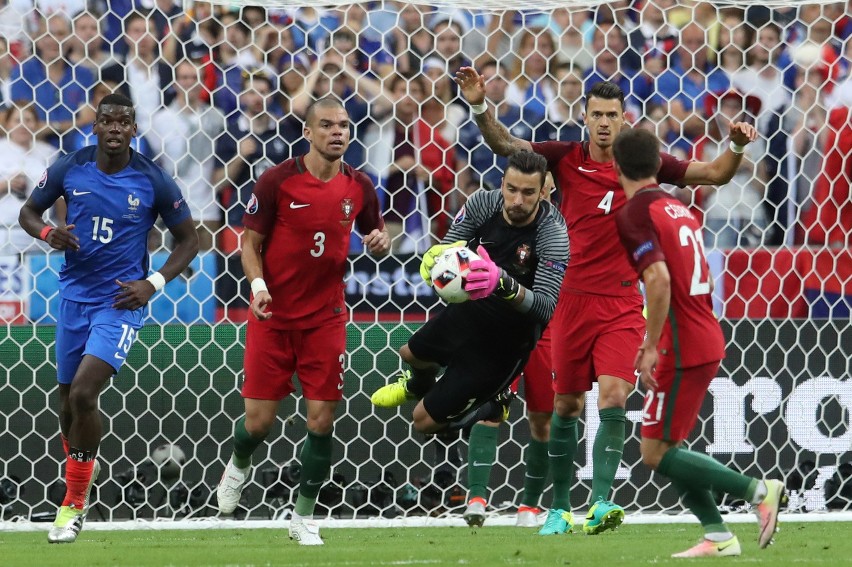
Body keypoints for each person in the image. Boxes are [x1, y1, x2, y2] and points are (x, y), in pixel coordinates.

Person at [454, 70, 758, 536]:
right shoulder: (563, 158)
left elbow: (714, 173)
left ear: (623, 119)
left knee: (614, 395)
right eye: (596, 115)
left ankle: (600, 503)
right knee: (567, 406)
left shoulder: (642, 165)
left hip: (620, 303)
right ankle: (558, 508)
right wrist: (478, 107)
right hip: (569, 301)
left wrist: (736, 145)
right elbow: (507, 146)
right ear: (584, 117)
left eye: (611, 116)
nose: (603, 123)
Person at [17, 93, 199, 543]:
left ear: (134, 130)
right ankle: (82, 474)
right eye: (107, 121)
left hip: (119, 303)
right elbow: (28, 212)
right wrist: (48, 233)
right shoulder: (70, 166)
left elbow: (189, 241)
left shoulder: (153, 180)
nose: (115, 128)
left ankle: (73, 503)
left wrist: (152, 284)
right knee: (67, 405)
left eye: (124, 122)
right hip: (73, 298)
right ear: (95, 126)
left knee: (82, 394)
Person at [215, 97, 390, 546]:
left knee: (321, 421)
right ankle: (238, 462)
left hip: (325, 318)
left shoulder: (360, 187)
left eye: (345, 126)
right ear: (308, 133)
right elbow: (249, 244)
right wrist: (257, 289)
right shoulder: (276, 181)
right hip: (272, 317)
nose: (339, 132)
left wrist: (379, 242)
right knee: (257, 423)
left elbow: (377, 233)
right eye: (328, 125)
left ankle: (304, 517)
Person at [612, 128, 786, 558]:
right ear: (658, 165)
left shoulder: (633, 214)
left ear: (615, 167)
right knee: (667, 446)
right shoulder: (677, 207)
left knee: (653, 452)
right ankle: (718, 535)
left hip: (681, 342)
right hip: (703, 331)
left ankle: (758, 490)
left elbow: (658, 278)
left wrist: (650, 345)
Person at [370, 152, 569, 450]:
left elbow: (545, 308)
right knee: (410, 354)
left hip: (507, 340)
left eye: (528, 193)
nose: (517, 200)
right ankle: (416, 384)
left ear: (542, 192)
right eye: (511, 189)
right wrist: (434, 258)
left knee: (422, 421)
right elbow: (452, 246)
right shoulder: (482, 203)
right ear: (501, 183)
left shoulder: (552, 233)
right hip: (470, 311)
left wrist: (502, 283)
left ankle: (495, 404)